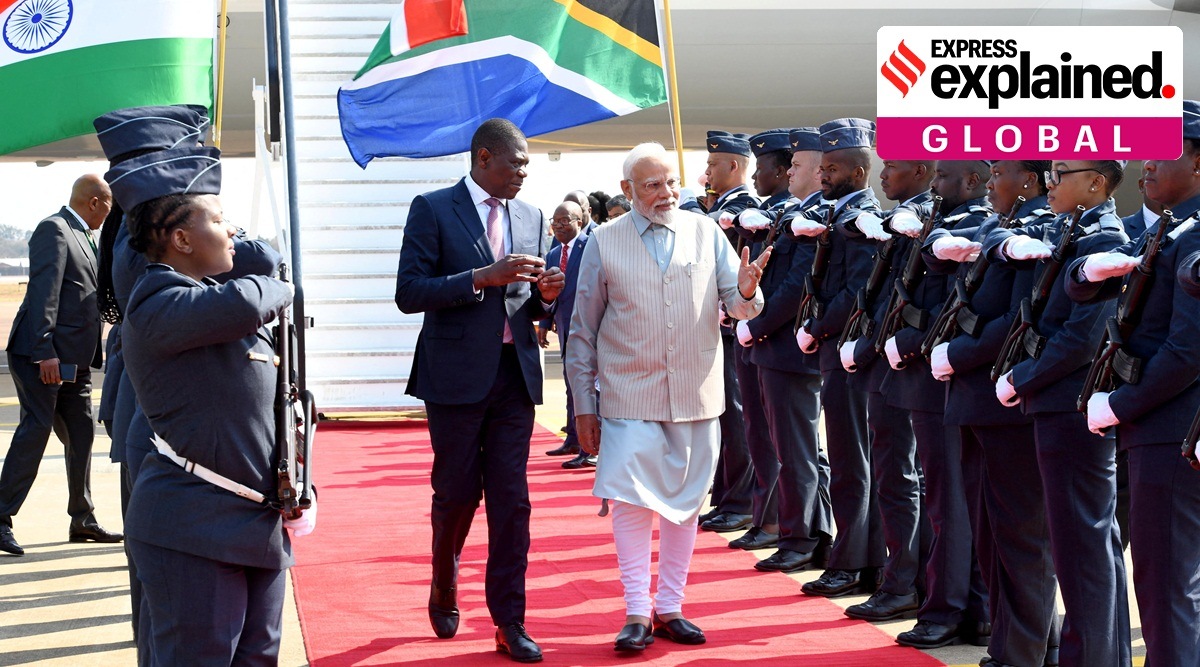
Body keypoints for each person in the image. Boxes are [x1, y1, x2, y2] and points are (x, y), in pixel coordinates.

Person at [109, 145, 312, 664]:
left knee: (257, 658)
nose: (231, 233)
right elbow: (251, 297)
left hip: (255, 520)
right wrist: (280, 283)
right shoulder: (160, 302)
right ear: (180, 239)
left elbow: (261, 412)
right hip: (193, 527)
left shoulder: (204, 298)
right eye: (220, 221)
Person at [565, 141, 768, 652]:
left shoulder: (706, 232)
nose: (666, 193)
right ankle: (636, 611)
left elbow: (740, 311)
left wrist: (745, 291)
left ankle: (670, 607)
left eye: (671, 182)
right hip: (628, 396)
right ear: (627, 190)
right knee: (632, 502)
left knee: (685, 507)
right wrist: (583, 408)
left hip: (696, 396)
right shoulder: (604, 241)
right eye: (652, 184)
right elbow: (582, 332)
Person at [395, 118, 563, 663]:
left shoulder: (533, 216)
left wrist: (548, 297)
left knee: (513, 504)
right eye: (517, 163)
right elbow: (409, 292)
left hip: (515, 378)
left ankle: (509, 621)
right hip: (454, 380)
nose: (523, 173)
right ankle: (444, 580)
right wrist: (479, 277)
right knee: (457, 495)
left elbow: (527, 304)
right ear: (484, 157)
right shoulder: (433, 208)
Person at [1065, 100, 1200, 666]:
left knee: (1167, 584)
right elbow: (1085, 287)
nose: (1146, 167)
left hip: (1170, 430)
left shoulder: (1191, 241)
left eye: (1161, 156)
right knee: (1168, 582)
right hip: (1161, 429)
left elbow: (1188, 351)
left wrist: (1120, 403)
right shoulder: (1170, 231)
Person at [984, 160, 1132, 667]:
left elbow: (1081, 339)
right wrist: (1002, 245)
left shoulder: (1100, 239)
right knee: (1081, 543)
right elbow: (992, 237)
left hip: (1070, 404)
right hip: (1059, 403)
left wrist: (1020, 379)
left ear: (1095, 182)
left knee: (1081, 548)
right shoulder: (1071, 227)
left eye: (1062, 172)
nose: (1050, 180)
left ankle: (1089, 657)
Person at [924, 160, 1060, 666]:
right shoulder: (995, 228)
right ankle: (1024, 644)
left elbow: (1020, 318)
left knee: (1020, 537)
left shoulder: (1039, 232)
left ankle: (1020, 652)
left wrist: (958, 354)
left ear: (1027, 180)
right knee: (991, 535)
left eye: (999, 172)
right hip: (974, 403)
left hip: (1004, 406)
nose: (990, 182)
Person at [0, 174, 120, 557]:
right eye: (108, 208)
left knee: (82, 433)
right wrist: (43, 351)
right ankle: (1, 518)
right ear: (96, 202)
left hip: (75, 361)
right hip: (43, 356)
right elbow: (43, 292)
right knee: (35, 432)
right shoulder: (54, 229)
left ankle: (81, 518)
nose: (108, 216)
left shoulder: (85, 235)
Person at [791, 120, 884, 596]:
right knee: (850, 459)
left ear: (861, 170)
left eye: (833, 168)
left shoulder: (861, 220)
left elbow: (857, 293)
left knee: (853, 462)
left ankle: (853, 563)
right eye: (822, 168)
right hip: (834, 352)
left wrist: (817, 328)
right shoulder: (835, 214)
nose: (823, 176)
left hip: (850, 354)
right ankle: (858, 557)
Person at [840, 158, 931, 623]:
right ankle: (901, 579)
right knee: (893, 477)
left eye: (892, 167)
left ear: (920, 170)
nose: (882, 175)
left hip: (901, 366)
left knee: (899, 478)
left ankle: (903, 584)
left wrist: (871, 343)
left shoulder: (922, 221)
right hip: (883, 364)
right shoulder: (899, 221)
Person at [727, 128, 799, 555]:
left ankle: (783, 524)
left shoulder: (793, 217)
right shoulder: (762, 214)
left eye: (764, 169)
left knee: (785, 443)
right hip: (751, 334)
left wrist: (755, 324)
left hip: (778, 341)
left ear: (784, 172)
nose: (756, 178)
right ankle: (765, 517)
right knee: (758, 431)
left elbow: (791, 286)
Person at [700, 130, 760, 533]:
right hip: (714, 326)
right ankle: (725, 495)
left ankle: (740, 500)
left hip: (732, 324)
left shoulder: (745, 210)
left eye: (712, 165)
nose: (706, 172)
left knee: (736, 414)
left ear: (734, 166)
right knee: (722, 414)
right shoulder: (715, 207)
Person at [540, 201, 593, 468]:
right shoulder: (552, 254)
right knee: (570, 384)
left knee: (587, 386)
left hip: (589, 328)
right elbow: (549, 292)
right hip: (563, 327)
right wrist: (544, 322)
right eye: (555, 221)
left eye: (565, 221)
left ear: (579, 221)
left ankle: (590, 448)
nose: (559, 226)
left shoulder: (592, 246)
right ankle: (572, 438)